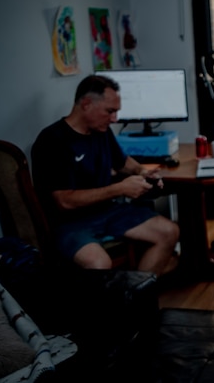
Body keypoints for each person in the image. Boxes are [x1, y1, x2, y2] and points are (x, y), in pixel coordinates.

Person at [31, 74, 180, 276]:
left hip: (108, 212)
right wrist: (120, 188)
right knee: (99, 264)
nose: (114, 119)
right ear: (86, 104)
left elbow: (122, 162)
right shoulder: (52, 141)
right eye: (110, 111)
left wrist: (142, 172)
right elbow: (64, 201)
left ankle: (135, 296)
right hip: (69, 224)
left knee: (169, 232)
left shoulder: (101, 130)